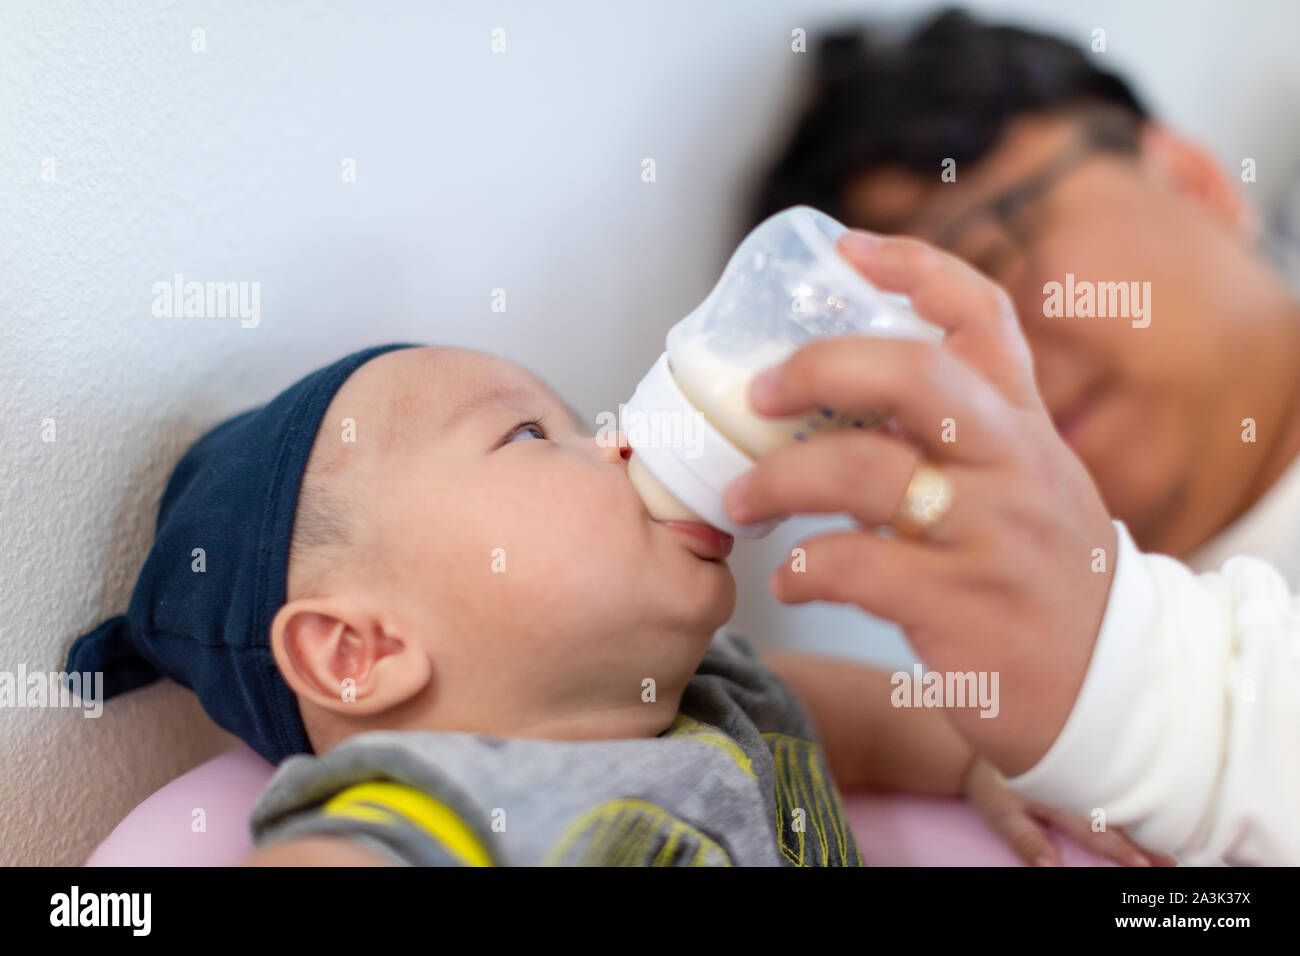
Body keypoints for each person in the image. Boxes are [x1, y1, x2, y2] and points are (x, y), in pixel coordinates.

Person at [65, 344, 1162, 866]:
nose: (621, 441)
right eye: (531, 435)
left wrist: (988, 757)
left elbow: (883, 721)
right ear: (361, 647)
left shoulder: (718, 695)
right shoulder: (437, 804)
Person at [727, 8, 1300, 864]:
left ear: (1194, 178)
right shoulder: (1026, 773)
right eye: (901, 357)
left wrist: (1126, 684)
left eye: (992, 254)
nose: (983, 377)